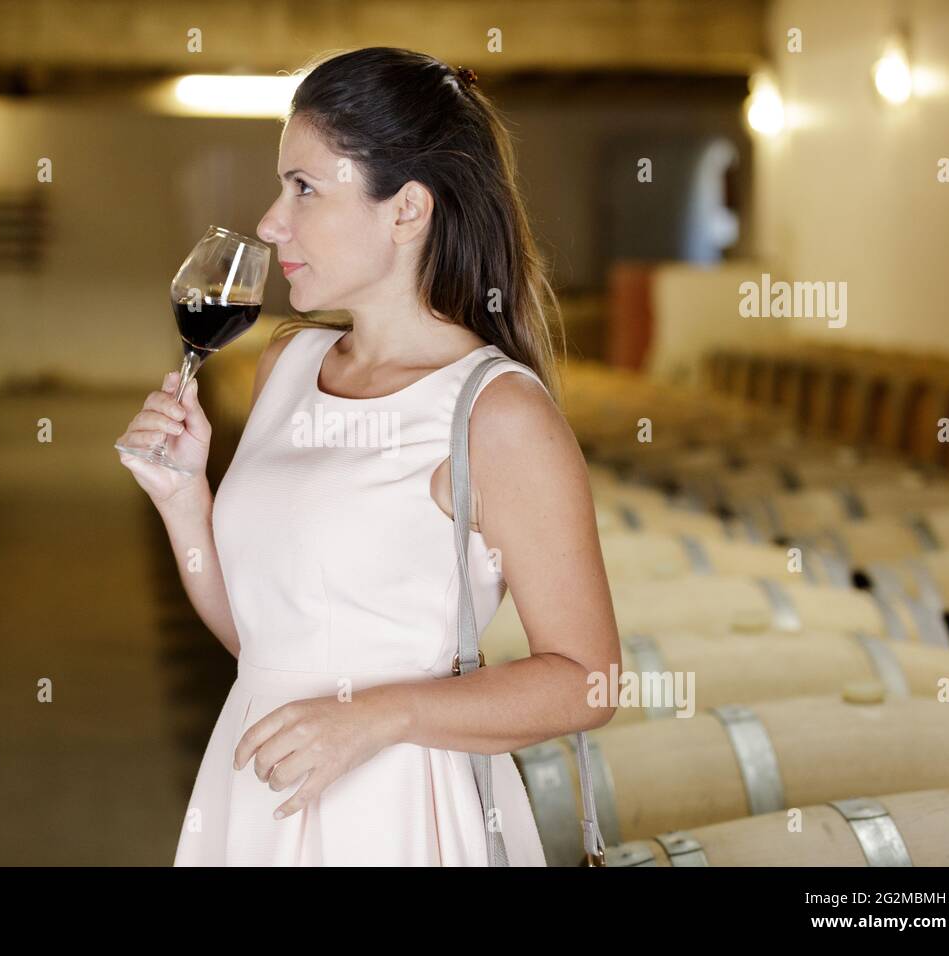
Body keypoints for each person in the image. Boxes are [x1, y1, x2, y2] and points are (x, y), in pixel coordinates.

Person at [118, 46, 621, 866]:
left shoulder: (494, 412)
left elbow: (588, 680)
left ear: (407, 210)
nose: (273, 221)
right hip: (255, 789)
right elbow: (265, 644)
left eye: (305, 188)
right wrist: (184, 502)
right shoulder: (285, 369)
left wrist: (377, 717)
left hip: (399, 814)